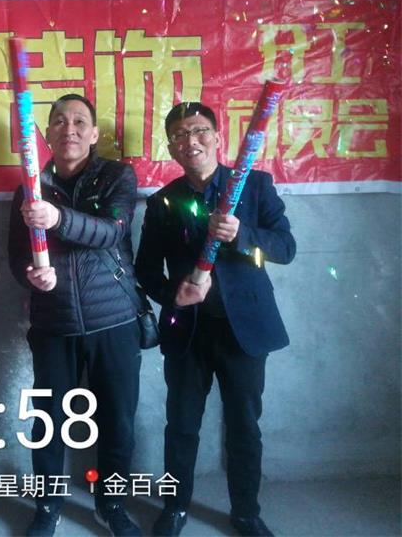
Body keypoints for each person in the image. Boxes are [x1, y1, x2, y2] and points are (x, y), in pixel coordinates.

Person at [136, 102, 296, 537]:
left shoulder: (255, 186)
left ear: (217, 136)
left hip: (244, 332)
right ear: (171, 147)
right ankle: (175, 509)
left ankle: (246, 513)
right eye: (180, 135)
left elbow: (285, 248)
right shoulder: (162, 202)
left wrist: (243, 235)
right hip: (187, 332)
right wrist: (175, 294)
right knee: (181, 426)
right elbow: (145, 270)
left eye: (200, 130)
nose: (191, 141)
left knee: (244, 426)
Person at [8, 94, 142, 536]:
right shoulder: (28, 189)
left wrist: (57, 218)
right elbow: (16, 257)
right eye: (60, 122)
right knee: (49, 421)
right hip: (54, 324)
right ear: (46, 133)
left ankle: (111, 503)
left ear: (95, 133)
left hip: (114, 320)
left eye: (80, 121)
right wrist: (31, 276)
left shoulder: (117, 176)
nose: (70, 129)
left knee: (117, 421)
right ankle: (48, 504)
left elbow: (112, 232)